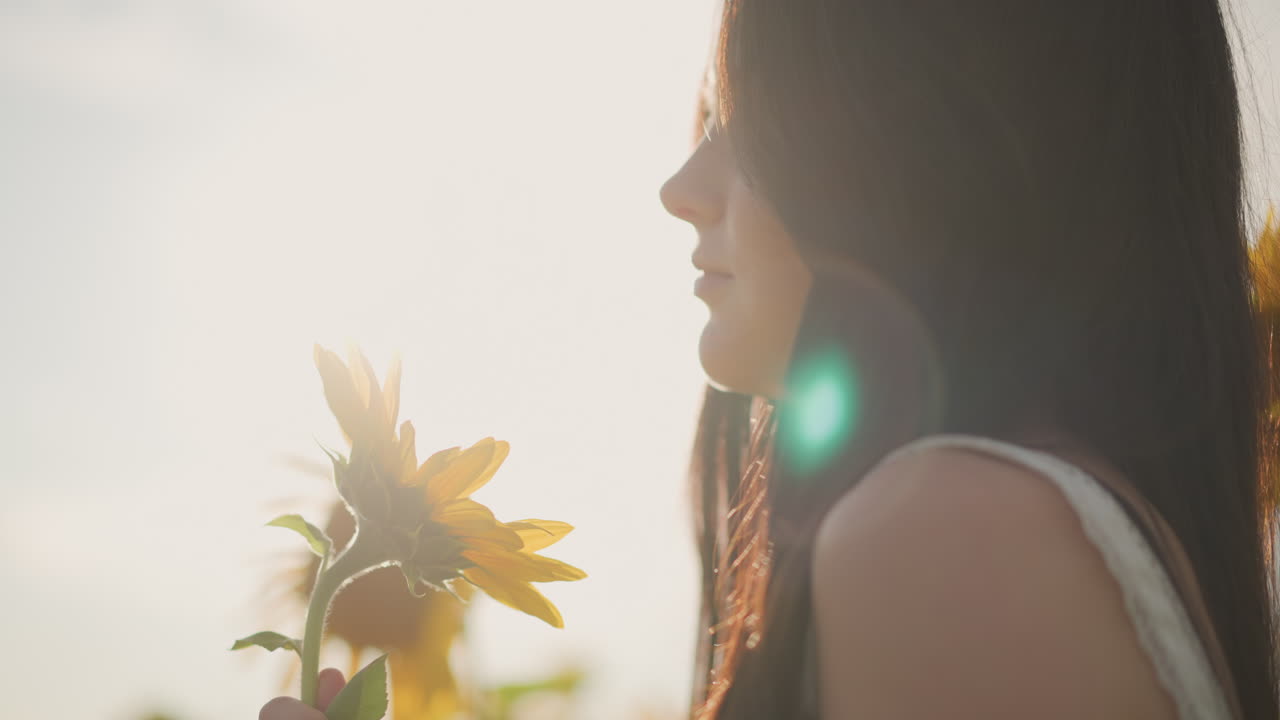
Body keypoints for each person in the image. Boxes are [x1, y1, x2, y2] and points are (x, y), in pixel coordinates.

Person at [262, 1, 1279, 718]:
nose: (682, 184)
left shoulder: (945, 529)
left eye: (751, 116)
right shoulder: (1067, 524)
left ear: (922, 134)